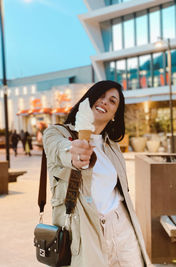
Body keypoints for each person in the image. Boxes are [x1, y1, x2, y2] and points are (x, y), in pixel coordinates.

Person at [43, 80, 152, 267]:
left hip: (121, 224)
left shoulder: (112, 146)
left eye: (112, 101)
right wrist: (73, 152)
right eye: (100, 96)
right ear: (88, 99)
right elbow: (58, 148)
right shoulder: (57, 134)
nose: (104, 102)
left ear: (115, 114)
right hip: (85, 228)